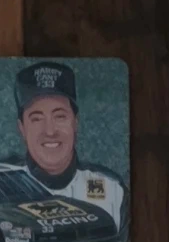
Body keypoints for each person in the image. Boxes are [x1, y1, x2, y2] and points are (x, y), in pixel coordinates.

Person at [11, 61, 126, 216]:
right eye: (37, 119)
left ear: (75, 122)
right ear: (22, 128)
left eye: (60, 116)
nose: (50, 131)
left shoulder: (113, 189)